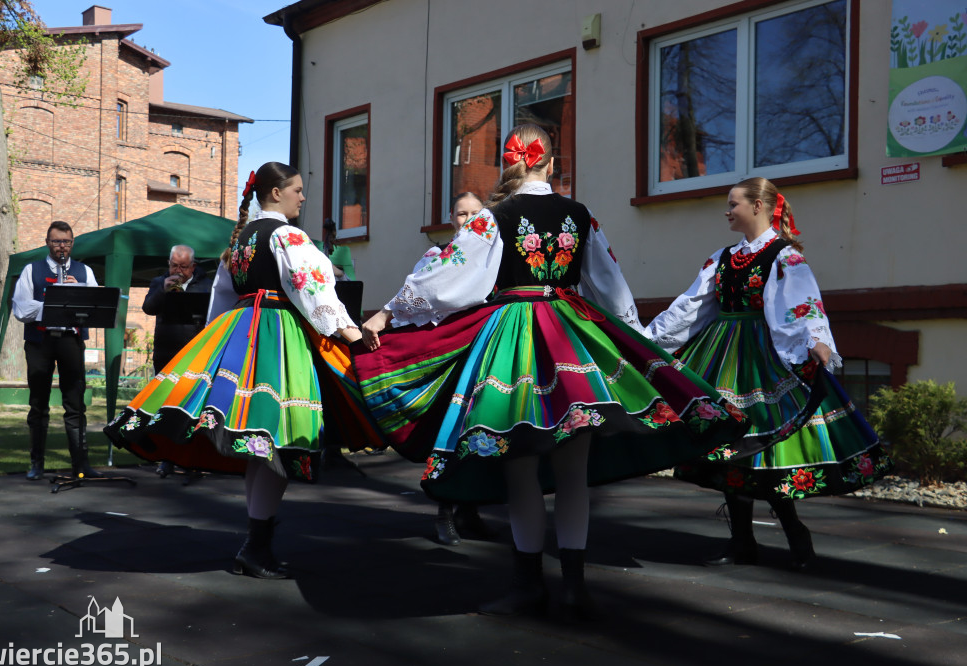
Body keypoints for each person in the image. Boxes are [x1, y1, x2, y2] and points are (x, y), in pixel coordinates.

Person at [356, 124, 750, 620]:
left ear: (511, 161)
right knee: (573, 473)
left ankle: (527, 586)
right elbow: (611, 287)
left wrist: (389, 312)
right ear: (551, 160)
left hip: (514, 339)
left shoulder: (494, 217)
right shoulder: (580, 215)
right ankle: (574, 588)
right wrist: (637, 345)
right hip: (572, 337)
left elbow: (448, 280)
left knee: (520, 467)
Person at [105, 162, 380, 579]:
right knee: (275, 439)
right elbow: (313, 290)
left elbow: (221, 299)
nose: (303, 197)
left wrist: (216, 347)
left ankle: (257, 540)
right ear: (274, 193)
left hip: (241, 332)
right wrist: (349, 334)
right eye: (298, 190)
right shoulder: (288, 235)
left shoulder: (241, 240)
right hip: (275, 335)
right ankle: (257, 545)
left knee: (261, 444)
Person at [646, 177, 894, 571]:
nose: (727, 211)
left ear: (758, 206)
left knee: (767, 444)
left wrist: (817, 341)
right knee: (729, 444)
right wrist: (646, 340)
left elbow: (803, 303)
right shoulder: (722, 257)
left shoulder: (785, 256)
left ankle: (795, 532)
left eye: (733, 204)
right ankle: (742, 541)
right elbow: (690, 307)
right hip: (722, 353)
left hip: (764, 354)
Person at [409, 192, 494, 546]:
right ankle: (444, 511)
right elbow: (420, 300)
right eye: (462, 214)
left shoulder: (493, 259)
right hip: (448, 355)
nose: (469, 220)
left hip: (484, 351)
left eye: (476, 214)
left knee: (479, 429)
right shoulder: (435, 257)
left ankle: (470, 509)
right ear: (451, 218)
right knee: (448, 430)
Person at [12, 220, 102, 481]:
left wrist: (79, 291)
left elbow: (97, 305)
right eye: (56, 241)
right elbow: (21, 308)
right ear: (47, 243)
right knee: (38, 404)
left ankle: (81, 465)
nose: (62, 246)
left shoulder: (84, 271)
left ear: (72, 243)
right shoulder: (32, 270)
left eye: (66, 242)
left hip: (70, 341)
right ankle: (36, 463)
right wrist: (54, 303)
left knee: (75, 404)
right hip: (40, 342)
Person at [141, 244, 214, 477]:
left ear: (193, 266)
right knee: (164, 406)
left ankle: (192, 458)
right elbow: (148, 308)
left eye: (184, 267)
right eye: (174, 265)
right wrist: (163, 290)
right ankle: (167, 458)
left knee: (193, 407)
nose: (179, 271)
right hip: (166, 352)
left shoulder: (205, 284)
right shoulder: (158, 282)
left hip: (195, 353)